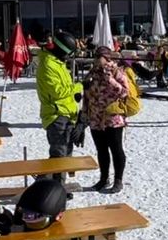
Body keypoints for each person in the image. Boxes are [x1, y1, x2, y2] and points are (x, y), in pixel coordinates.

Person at [81, 47, 130, 193]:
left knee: (116, 149)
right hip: (95, 117)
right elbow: (87, 95)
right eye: (95, 56)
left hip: (112, 118)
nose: (96, 59)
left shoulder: (116, 71)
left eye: (99, 56)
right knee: (101, 150)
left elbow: (125, 92)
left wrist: (110, 80)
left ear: (107, 58)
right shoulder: (92, 72)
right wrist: (84, 114)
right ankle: (103, 179)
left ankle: (118, 180)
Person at [36, 31, 82, 181]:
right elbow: (57, 92)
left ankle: (55, 186)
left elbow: (65, 87)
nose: (67, 58)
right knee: (59, 155)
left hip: (68, 113)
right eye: (67, 54)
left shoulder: (58, 62)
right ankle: (53, 188)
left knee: (66, 153)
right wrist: (79, 87)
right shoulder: (48, 64)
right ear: (60, 50)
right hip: (56, 115)